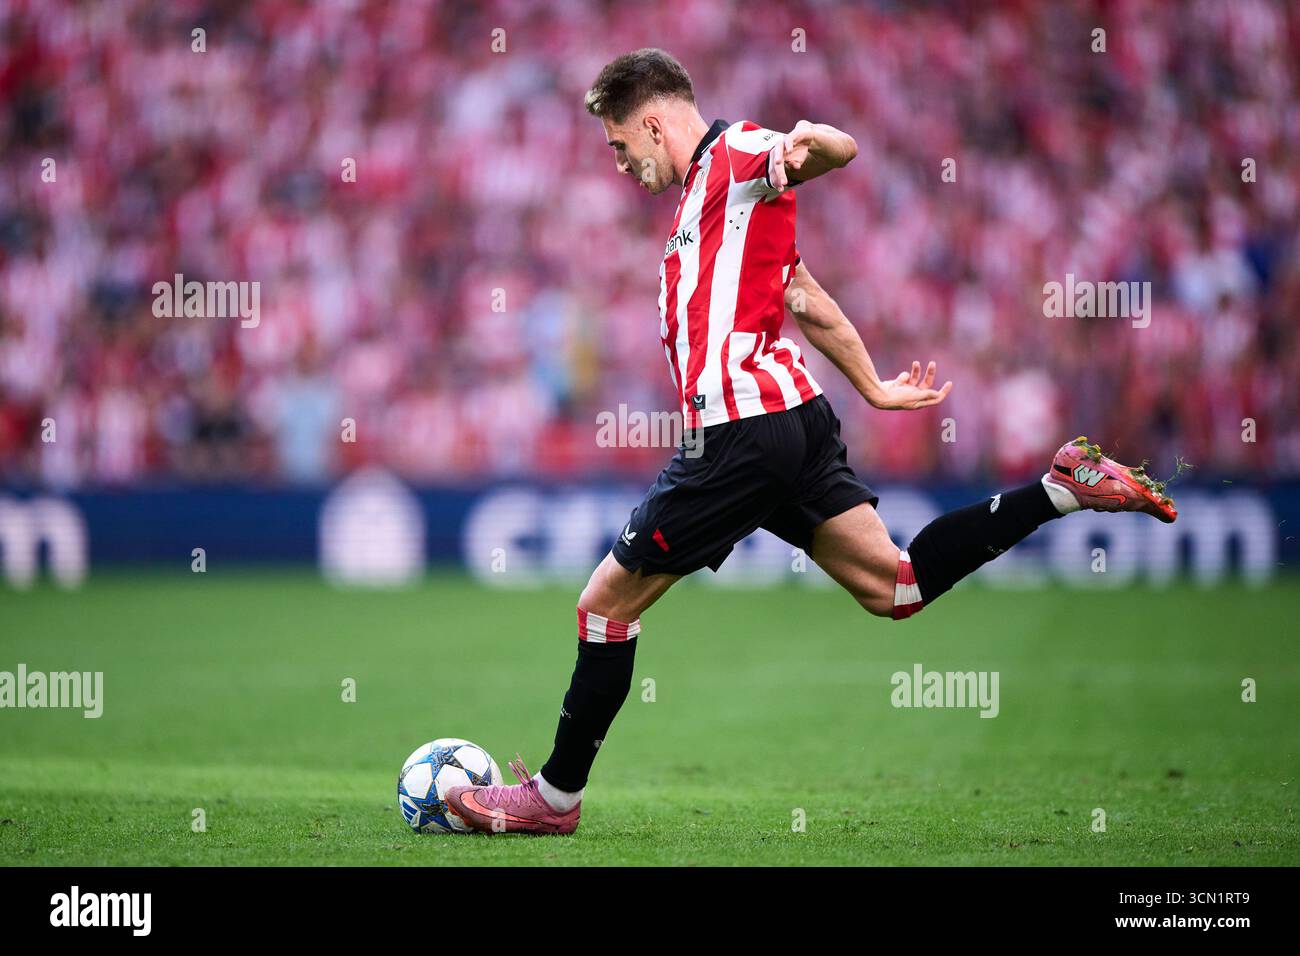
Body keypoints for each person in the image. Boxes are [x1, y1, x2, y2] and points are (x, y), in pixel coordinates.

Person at [446, 49, 1176, 835]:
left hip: (739, 433)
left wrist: (806, 143)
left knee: (604, 606)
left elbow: (836, 148)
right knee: (895, 586)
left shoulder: (737, 155)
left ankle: (554, 801)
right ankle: (1063, 486)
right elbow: (805, 297)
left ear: (654, 122)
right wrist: (872, 386)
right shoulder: (712, 204)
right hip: (795, 419)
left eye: (622, 145)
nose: (621, 163)